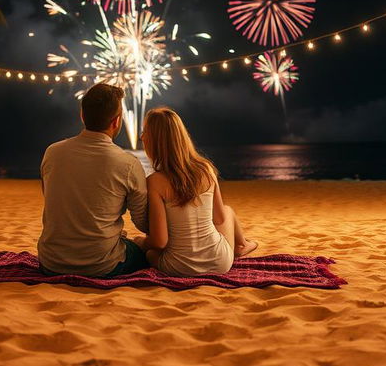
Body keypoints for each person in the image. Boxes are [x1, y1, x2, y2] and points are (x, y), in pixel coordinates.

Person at [38, 83, 149, 277]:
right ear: (116, 121)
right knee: (144, 251)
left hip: (50, 263)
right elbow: (142, 223)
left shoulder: (52, 152)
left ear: (82, 115)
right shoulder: (128, 164)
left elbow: (50, 198)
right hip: (104, 265)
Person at [134, 107, 257, 276]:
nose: (141, 137)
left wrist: (140, 242)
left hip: (178, 267)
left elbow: (160, 241)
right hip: (220, 262)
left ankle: (242, 245)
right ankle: (242, 245)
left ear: (156, 141)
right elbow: (219, 219)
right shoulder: (206, 169)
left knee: (150, 253)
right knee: (227, 211)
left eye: (145, 132)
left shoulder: (154, 182)